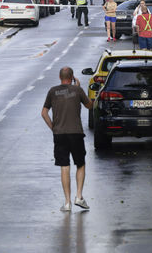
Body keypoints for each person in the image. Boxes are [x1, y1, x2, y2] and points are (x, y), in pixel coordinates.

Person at [41, 67, 93, 212]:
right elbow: (90, 105)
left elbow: (44, 113)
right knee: (80, 164)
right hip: (76, 133)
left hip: (60, 135)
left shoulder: (52, 91)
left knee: (64, 167)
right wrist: (78, 88)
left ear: (60, 77)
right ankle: (79, 197)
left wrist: (54, 128)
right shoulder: (77, 90)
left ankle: (67, 202)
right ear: (72, 77)